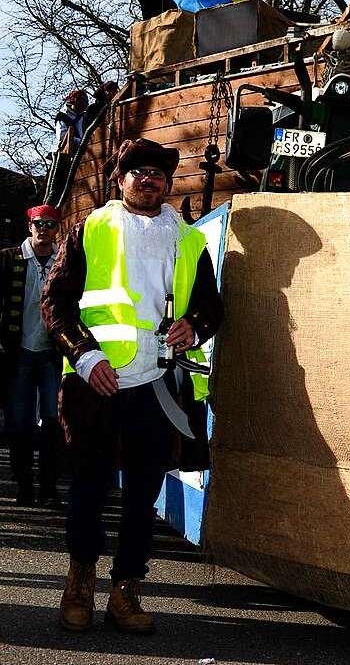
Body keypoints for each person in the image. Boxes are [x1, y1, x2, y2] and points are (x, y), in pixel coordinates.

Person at [41, 138, 223, 634]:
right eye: (138, 172)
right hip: (95, 381)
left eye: (158, 174)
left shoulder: (189, 240)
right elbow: (55, 301)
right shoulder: (90, 228)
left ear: (168, 184)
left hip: (159, 384)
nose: (149, 180)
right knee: (88, 488)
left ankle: (126, 592)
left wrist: (194, 326)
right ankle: (79, 584)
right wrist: (84, 354)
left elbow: (211, 307)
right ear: (120, 180)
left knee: (144, 495)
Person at [0, 205, 64, 506]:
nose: (44, 229)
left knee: (54, 421)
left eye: (51, 224)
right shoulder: (8, 259)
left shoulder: (65, 261)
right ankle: (25, 486)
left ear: (57, 229)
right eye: (39, 223)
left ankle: (49, 488)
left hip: (52, 353)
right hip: (18, 353)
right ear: (29, 226)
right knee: (19, 422)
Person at [54, 90, 88, 154]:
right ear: (73, 102)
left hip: (87, 150)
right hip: (69, 151)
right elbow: (62, 136)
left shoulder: (85, 117)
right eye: (81, 101)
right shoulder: (62, 116)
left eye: (85, 102)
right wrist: (80, 141)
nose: (83, 104)